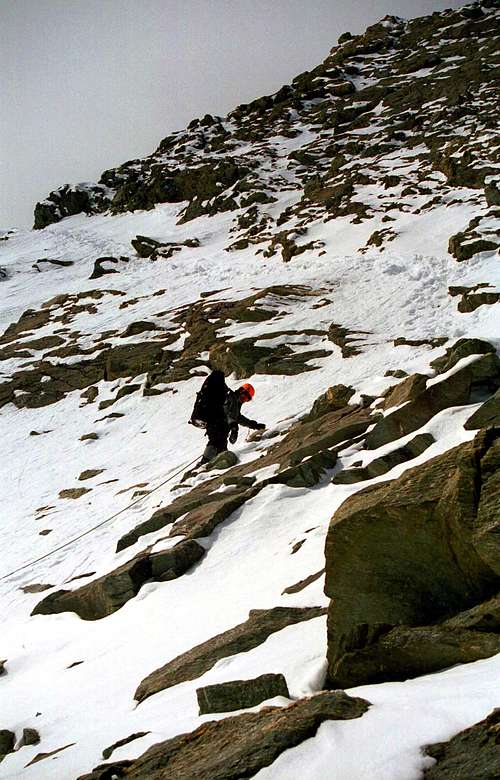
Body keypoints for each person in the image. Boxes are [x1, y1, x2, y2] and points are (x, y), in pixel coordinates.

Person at [191, 370, 265, 463]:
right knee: (217, 439)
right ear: (241, 391)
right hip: (214, 421)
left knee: (220, 440)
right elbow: (227, 413)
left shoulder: (234, 402)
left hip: (212, 421)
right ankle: (204, 463)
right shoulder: (231, 398)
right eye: (245, 396)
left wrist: (254, 425)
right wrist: (234, 428)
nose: (244, 400)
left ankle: (216, 462)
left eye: (247, 399)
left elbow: (237, 417)